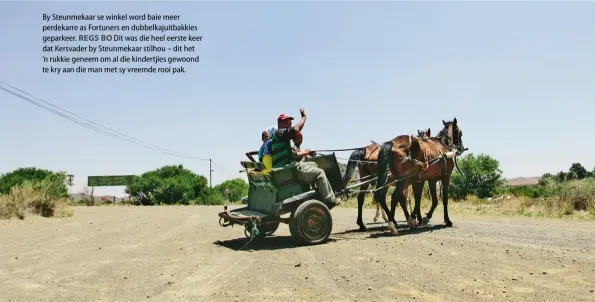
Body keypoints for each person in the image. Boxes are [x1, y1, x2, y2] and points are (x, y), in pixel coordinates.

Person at [270, 109, 339, 206]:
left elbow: (292, 156)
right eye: (288, 123)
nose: (290, 125)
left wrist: (305, 153)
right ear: (282, 123)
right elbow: (296, 130)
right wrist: (304, 117)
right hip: (289, 170)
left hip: (285, 170)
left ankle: (318, 191)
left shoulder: (280, 139)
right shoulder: (279, 133)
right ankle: (329, 200)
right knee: (320, 173)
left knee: (313, 164)